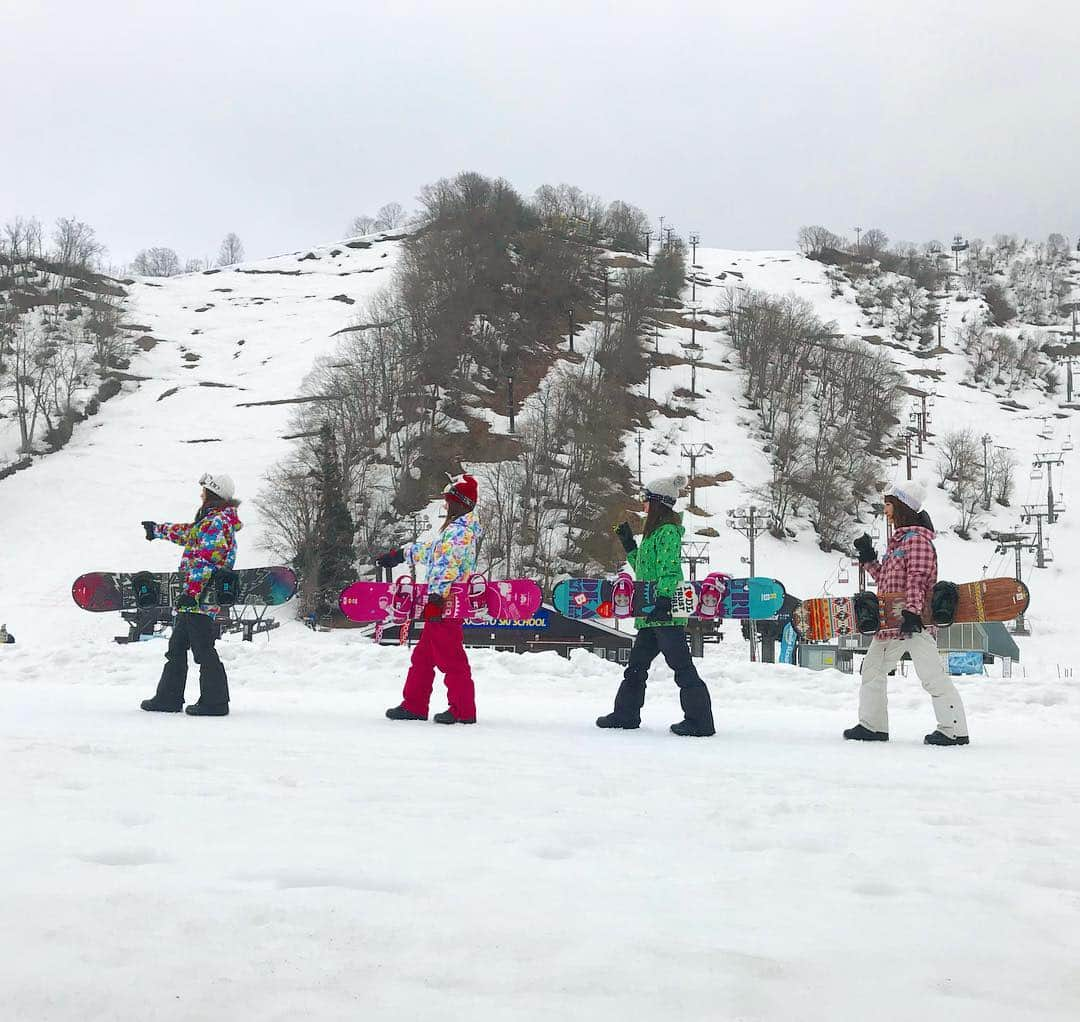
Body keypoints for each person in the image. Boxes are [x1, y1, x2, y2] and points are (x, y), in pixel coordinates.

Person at [845, 478, 969, 746]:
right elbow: (888, 583)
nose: (885, 511)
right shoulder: (898, 542)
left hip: (914, 621)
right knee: (873, 669)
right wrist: (868, 558)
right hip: (892, 622)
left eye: (888, 505)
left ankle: (954, 729)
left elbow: (918, 578)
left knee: (931, 675)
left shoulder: (917, 541)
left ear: (902, 507)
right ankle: (873, 726)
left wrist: (912, 613)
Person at [599, 472, 716, 737]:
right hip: (651, 614)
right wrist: (628, 543)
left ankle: (700, 722)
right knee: (636, 668)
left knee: (682, 668)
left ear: (659, 502)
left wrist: (664, 599)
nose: (643, 504)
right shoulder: (653, 535)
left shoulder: (668, 532)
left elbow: (670, 569)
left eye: (646, 499)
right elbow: (644, 568)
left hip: (665, 614)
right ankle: (625, 714)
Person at [376, 473, 483, 725]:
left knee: (451, 657)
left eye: (448, 501)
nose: (445, 506)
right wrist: (401, 554)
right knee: (423, 658)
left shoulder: (459, 533)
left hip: (446, 603)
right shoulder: (454, 531)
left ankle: (463, 709)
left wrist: (436, 599)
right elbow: (431, 552)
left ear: (459, 502)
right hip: (440, 603)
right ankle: (414, 704)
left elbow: (446, 567)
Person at [139, 473, 242, 717]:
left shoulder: (217, 522)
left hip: (201, 599)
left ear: (213, 494)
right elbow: (188, 534)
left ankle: (215, 702)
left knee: (203, 649)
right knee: (176, 647)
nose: (201, 494)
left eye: (205, 490)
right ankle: (168, 698)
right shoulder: (209, 521)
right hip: (193, 599)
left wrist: (192, 593)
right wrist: (158, 530)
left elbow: (207, 561)